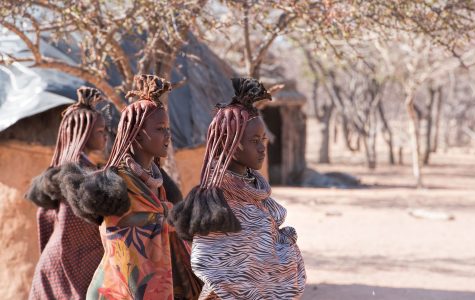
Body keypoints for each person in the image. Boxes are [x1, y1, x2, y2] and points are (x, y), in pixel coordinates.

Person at [171, 78, 306, 300]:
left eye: (263, 139)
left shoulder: (257, 195)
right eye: (254, 140)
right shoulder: (216, 204)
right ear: (228, 142)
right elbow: (207, 261)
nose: (262, 147)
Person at [69, 74, 201, 300]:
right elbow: (120, 240)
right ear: (138, 134)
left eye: (168, 128)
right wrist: (162, 218)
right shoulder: (116, 184)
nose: (168, 135)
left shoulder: (157, 182)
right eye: (160, 129)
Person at [26, 87, 107, 299]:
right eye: (100, 132)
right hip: (64, 272)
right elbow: (77, 227)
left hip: (60, 268)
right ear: (83, 134)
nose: (105, 136)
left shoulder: (77, 171)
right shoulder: (75, 176)